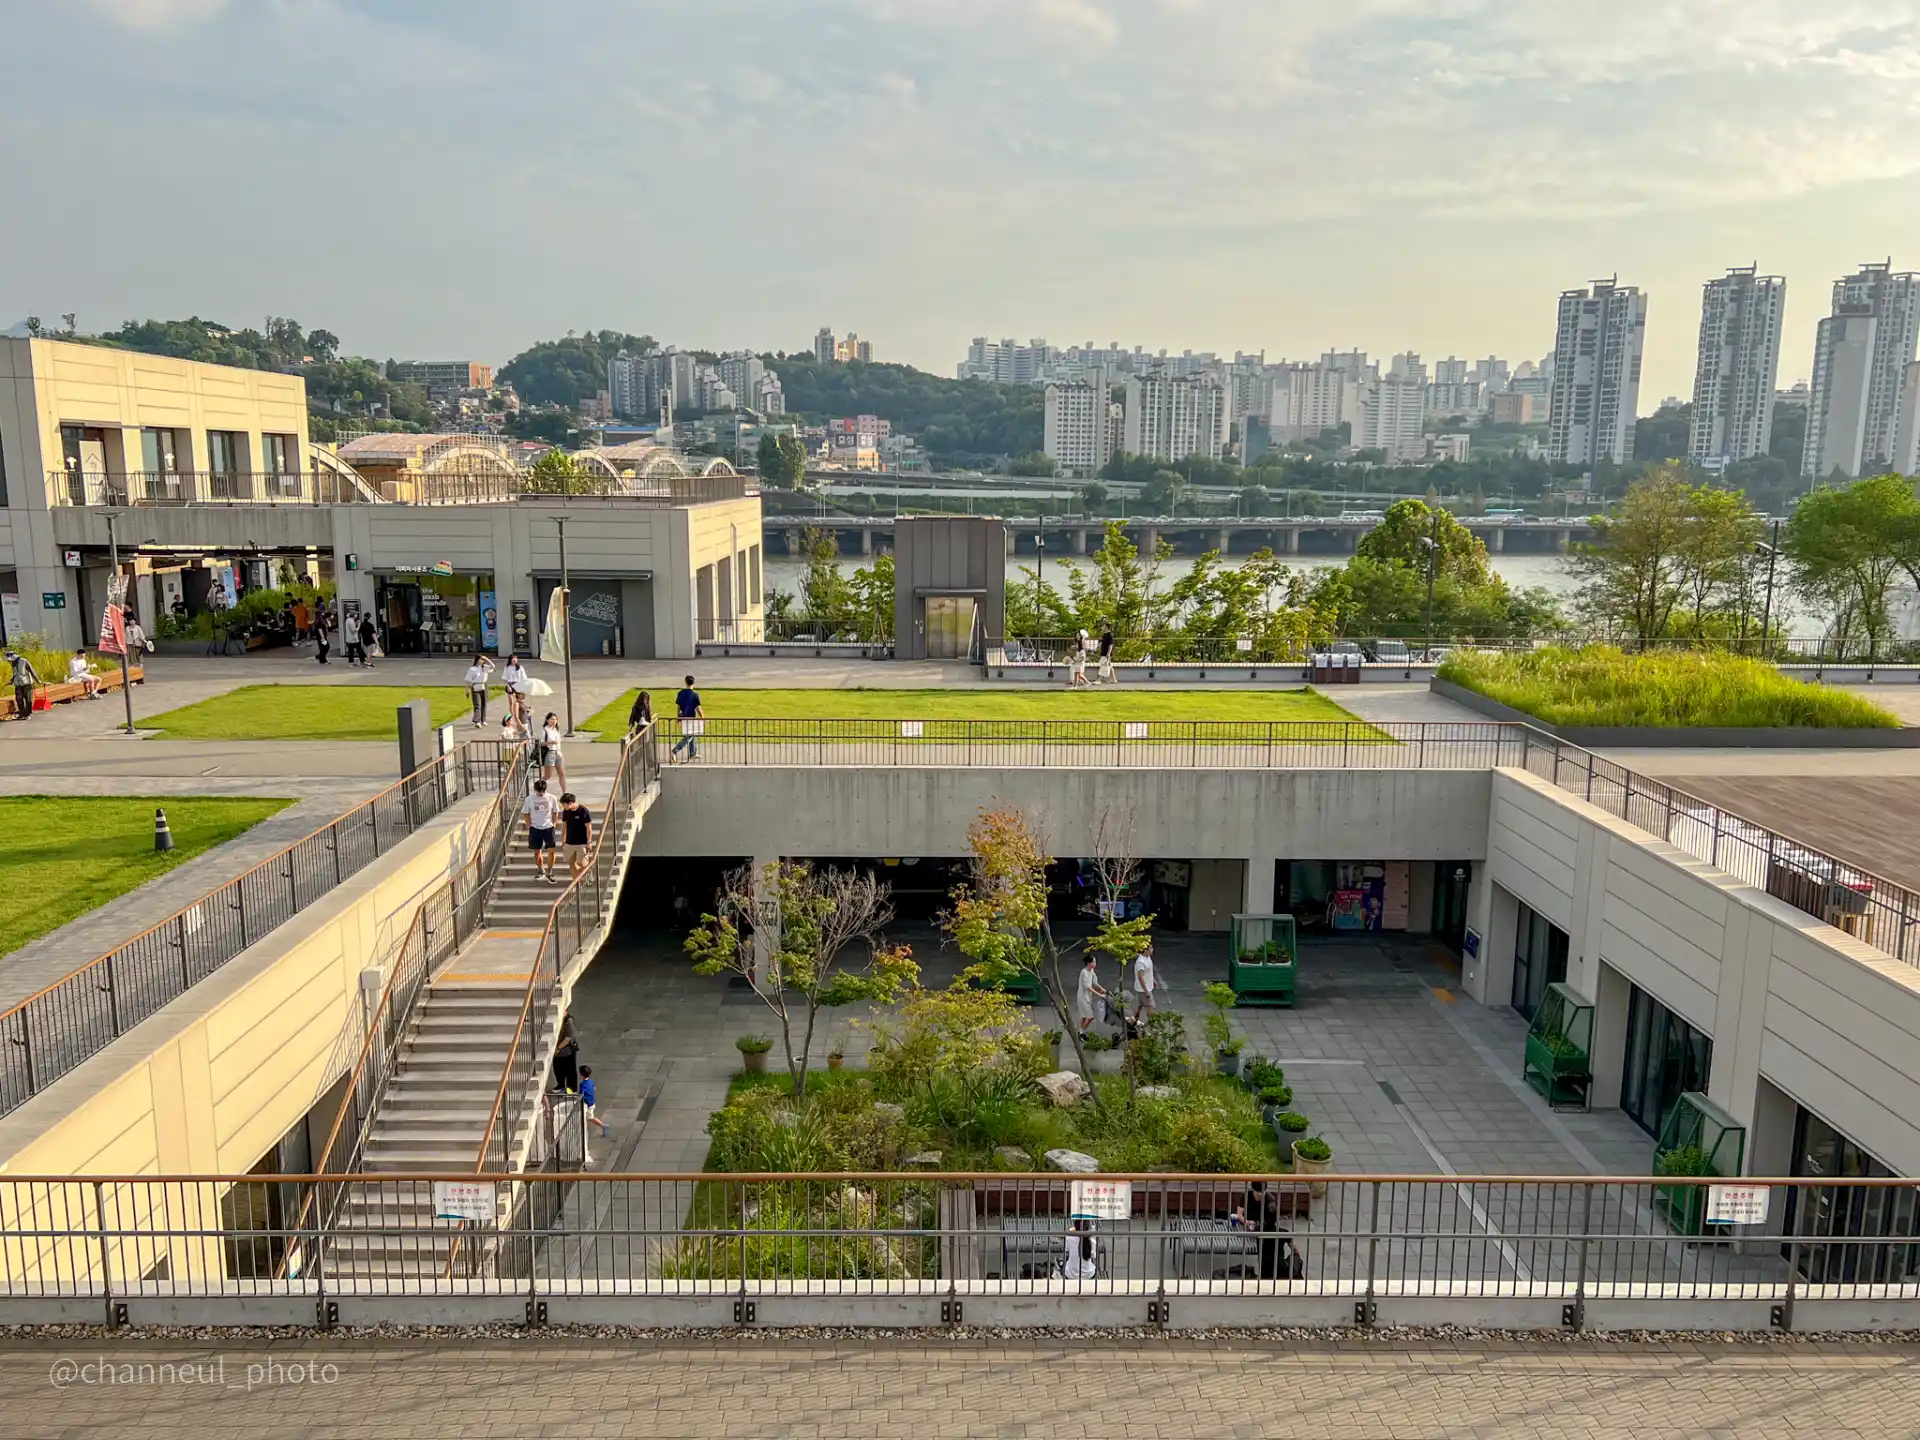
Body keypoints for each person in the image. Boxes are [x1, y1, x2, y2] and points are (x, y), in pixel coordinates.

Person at [522, 778, 560, 883]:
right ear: (535, 790)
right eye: (539, 791)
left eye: (542, 791)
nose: (541, 793)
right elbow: (525, 813)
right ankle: (541, 870)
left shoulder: (552, 798)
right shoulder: (529, 799)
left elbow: (555, 812)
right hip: (535, 828)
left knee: (552, 851)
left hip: (548, 827)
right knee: (537, 851)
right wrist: (529, 824)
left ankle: (550, 871)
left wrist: (554, 823)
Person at [670, 674, 703, 763]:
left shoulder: (680, 693)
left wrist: (678, 717)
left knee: (692, 734)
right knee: (689, 737)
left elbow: (679, 707)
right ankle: (674, 751)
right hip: (691, 718)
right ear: (693, 683)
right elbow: (698, 708)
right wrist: (703, 717)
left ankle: (692, 753)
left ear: (686, 682)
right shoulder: (695, 695)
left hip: (683, 717)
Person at [560, 789, 593, 880]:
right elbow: (564, 826)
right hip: (569, 842)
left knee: (582, 863)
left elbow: (588, 827)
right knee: (571, 863)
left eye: (564, 804)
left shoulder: (583, 810)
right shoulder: (566, 811)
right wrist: (563, 840)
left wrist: (589, 842)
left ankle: (587, 872)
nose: (562, 806)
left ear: (570, 803)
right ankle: (577, 883)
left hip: (581, 842)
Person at [1074, 954, 1106, 1038]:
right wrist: (1099, 994)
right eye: (1093, 962)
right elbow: (1088, 987)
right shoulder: (1083, 972)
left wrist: (1102, 989)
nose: (1095, 963)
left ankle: (1080, 1031)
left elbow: (1095, 982)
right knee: (1090, 1016)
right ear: (1088, 963)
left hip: (1088, 997)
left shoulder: (1091, 971)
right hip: (1082, 997)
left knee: (1084, 1015)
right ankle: (1081, 1032)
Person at [7, 649, 41, 722]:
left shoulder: (24, 661)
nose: (9, 661)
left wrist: (37, 680)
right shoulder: (13, 664)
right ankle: (22, 714)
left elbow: (32, 671)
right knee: (19, 699)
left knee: (28, 699)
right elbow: (15, 674)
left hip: (27, 683)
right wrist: (11, 681)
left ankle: (28, 714)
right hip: (18, 684)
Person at [579, 1065, 611, 1141]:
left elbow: (581, 1095)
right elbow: (594, 1088)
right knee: (587, 1116)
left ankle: (603, 1126)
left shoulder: (582, 1085)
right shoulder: (591, 1081)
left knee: (590, 1117)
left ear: (581, 1075)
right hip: (592, 1102)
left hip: (587, 1104)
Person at [463, 653, 494, 726]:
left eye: (483, 660)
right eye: (481, 659)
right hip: (476, 686)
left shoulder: (484, 667)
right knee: (477, 704)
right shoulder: (472, 669)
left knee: (484, 703)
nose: (482, 661)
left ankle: (483, 720)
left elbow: (493, 666)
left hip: (484, 685)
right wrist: (466, 690)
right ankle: (477, 721)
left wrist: (487, 659)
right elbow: (468, 680)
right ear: (477, 660)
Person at [1130, 943, 1157, 1026]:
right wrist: (1146, 992)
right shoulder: (1141, 963)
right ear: (1145, 950)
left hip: (1144, 989)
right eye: (1151, 948)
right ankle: (1154, 1028)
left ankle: (1131, 1024)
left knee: (1138, 1009)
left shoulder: (1147, 958)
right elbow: (1140, 977)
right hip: (1144, 990)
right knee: (1151, 1008)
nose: (1152, 950)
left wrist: (1153, 980)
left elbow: (1148, 972)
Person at [500, 653, 530, 727]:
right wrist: (508, 686)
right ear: (510, 660)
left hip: (518, 684)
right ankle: (512, 716)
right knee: (511, 702)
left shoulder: (520, 668)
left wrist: (524, 686)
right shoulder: (507, 667)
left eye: (515, 659)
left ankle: (519, 714)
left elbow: (524, 678)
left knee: (519, 702)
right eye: (513, 659)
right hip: (510, 685)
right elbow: (504, 678)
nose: (514, 660)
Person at [539, 711, 567, 790]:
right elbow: (541, 743)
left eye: (555, 719)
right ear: (547, 720)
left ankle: (564, 792)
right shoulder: (545, 730)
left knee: (562, 774)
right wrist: (551, 742)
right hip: (549, 752)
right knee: (548, 775)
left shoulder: (555, 729)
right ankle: (539, 786)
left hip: (558, 752)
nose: (554, 721)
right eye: (552, 719)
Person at [552, 1016, 580, 1092]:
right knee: (558, 1069)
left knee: (570, 1071)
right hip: (557, 1051)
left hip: (567, 1051)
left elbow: (569, 1037)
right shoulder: (557, 1019)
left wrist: (558, 1048)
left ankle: (571, 1089)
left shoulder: (568, 1021)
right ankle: (560, 1085)